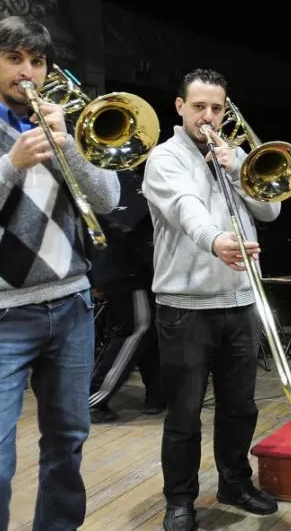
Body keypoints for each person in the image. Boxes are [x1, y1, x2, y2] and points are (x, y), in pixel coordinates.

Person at [0, 15, 121, 530]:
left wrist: (71, 147)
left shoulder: (63, 120)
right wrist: (9, 165)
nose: (27, 71)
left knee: (67, 445)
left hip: (70, 307)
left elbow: (108, 198)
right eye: (14, 59)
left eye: (37, 61)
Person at [142, 68, 282, 531]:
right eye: (199, 106)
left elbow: (270, 208)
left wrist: (237, 168)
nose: (208, 116)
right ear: (179, 107)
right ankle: (180, 499)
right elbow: (186, 207)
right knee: (183, 412)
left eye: (217, 108)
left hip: (240, 299)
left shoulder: (235, 154)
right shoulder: (164, 158)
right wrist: (215, 238)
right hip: (185, 305)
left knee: (240, 406)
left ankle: (235, 483)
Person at [87, 168, 165, 423]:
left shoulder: (121, 176)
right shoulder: (115, 176)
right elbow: (125, 222)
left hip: (128, 269)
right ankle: (93, 398)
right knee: (138, 329)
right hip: (126, 270)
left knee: (149, 330)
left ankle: (157, 395)